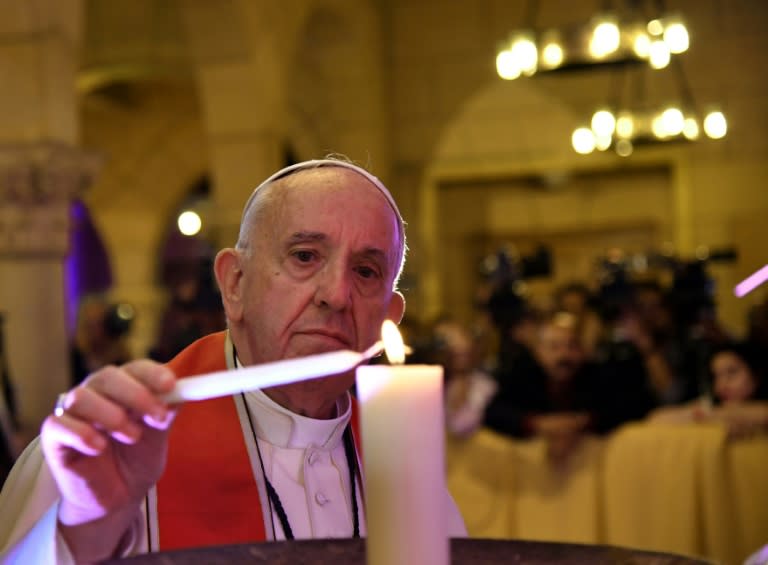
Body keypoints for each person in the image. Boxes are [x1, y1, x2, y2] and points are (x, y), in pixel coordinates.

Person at [0, 158, 467, 563]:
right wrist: (88, 526)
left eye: (366, 271)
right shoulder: (112, 447)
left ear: (389, 316)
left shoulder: (407, 462)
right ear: (234, 284)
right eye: (305, 256)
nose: (337, 295)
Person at [648, 341, 768, 439]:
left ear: (756, 374)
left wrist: (712, 416)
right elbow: (656, 419)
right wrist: (708, 416)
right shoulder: (711, 406)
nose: (721, 385)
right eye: (716, 376)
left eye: (732, 373)